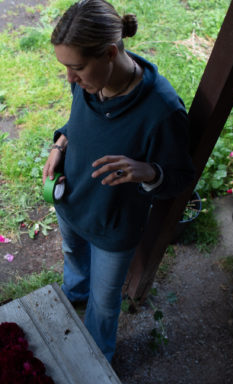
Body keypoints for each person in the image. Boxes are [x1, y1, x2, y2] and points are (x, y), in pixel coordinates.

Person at [43, 0, 195, 362]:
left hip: (114, 225)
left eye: (76, 68)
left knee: (105, 303)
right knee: (72, 258)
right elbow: (79, 124)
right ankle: (73, 296)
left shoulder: (162, 109)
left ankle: (99, 361)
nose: (70, 78)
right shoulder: (89, 83)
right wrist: (60, 143)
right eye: (65, 67)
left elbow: (181, 179)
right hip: (72, 201)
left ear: (110, 53)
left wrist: (148, 172)